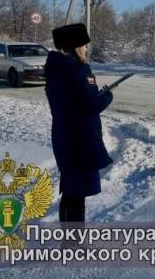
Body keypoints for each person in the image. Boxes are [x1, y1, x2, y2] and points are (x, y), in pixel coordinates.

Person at [44, 23, 114, 222]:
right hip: (81, 140)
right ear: (75, 47)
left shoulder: (56, 69)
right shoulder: (79, 71)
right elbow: (90, 106)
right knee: (77, 197)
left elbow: (74, 102)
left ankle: (69, 241)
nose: (86, 49)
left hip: (63, 137)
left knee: (70, 191)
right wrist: (107, 96)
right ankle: (75, 247)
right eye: (84, 45)